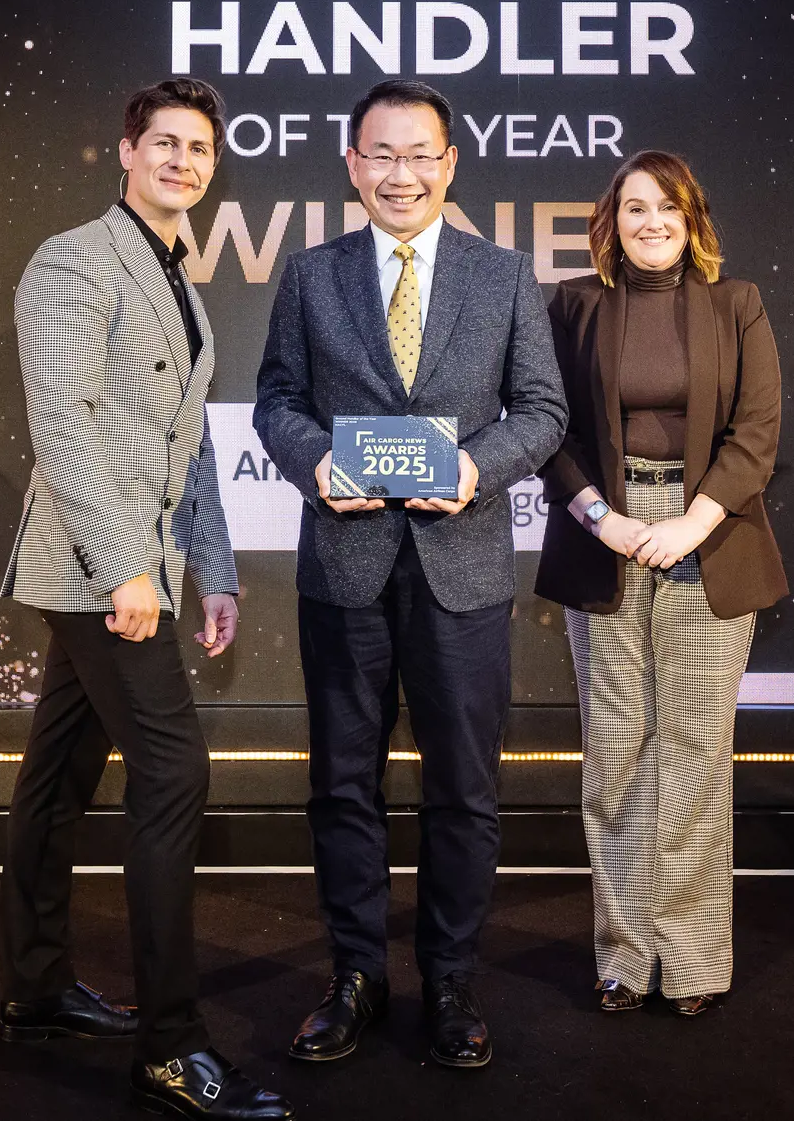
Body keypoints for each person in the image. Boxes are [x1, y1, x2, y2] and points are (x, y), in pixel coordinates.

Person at [254, 78, 567, 1069]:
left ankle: (449, 977)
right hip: (343, 569)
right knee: (343, 784)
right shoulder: (310, 274)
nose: (401, 172)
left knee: (464, 790)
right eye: (380, 154)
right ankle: (353, 973)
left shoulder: (504, 275)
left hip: (462, 566)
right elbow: (276, 401)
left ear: (449, 162)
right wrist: (315, 462)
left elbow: (542, 410)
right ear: (352, 164)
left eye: (419, 153)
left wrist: (478, 465)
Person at [0, 78, 293, 1120]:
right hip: (96, 568)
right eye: (163, 141)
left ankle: (33, 986)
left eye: (198, 147)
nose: (182, 159)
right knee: (173, 771)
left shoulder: (177, 276)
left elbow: (189, 444)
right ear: (125, 150)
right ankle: (172, 1046)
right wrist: (129, 566)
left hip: (135, 566)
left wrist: (210, 567)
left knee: (60, 769)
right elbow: (65, 423)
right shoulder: (78, 258)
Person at [535, 150, 787, 1017]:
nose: (652, 223)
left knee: (691, 753)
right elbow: (547, 426)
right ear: (611, 220)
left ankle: (691, 960)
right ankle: (622, 955)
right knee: (616, 755)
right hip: (602, 531)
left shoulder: (735, 305)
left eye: (668, 210)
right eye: (635, 208)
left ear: (692, 221)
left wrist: (690, 520)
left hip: (706, 530)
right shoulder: (572, 303)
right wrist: (602, 516)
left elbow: (757, 432)